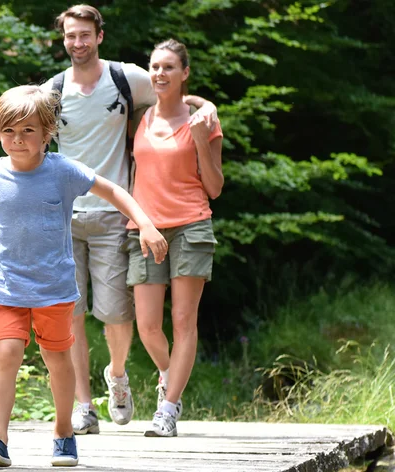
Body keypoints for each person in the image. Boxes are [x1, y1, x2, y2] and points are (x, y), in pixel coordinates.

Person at [0, 85, 167, 468]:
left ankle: (63, 432)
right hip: (7, 286)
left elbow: (112, 191)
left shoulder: (62, 170)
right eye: (9, 131)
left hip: (54, 288)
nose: (17, 139)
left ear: (47, 133)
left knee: (57, 359)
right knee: (6, 354)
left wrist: (145, 224)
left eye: (27, 130)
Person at [44, 4, 218, 433]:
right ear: (63, 39)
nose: (77, 42)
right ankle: (85, 406)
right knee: (73, 314)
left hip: (118, 215)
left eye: (85, 34)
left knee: (119, 317)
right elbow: (20, 131)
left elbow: (170, 91)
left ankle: (124, 379)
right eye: (71, 35)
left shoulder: (126, 78)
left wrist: (205, 104)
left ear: (99, 36)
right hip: (67, 216)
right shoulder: (50, 90)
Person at [124, 39, 223, 437]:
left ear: (184, 73)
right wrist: (204, 101)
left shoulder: (205, 122)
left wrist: (200, 134)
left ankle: (167, 409)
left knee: (184, 321)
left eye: (169, 67)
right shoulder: (140, 118)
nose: (160, 73)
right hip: (144, 227)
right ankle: (170, 375)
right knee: (147, 325)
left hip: (191, 225)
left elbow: (215, 187)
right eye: (155, 67)